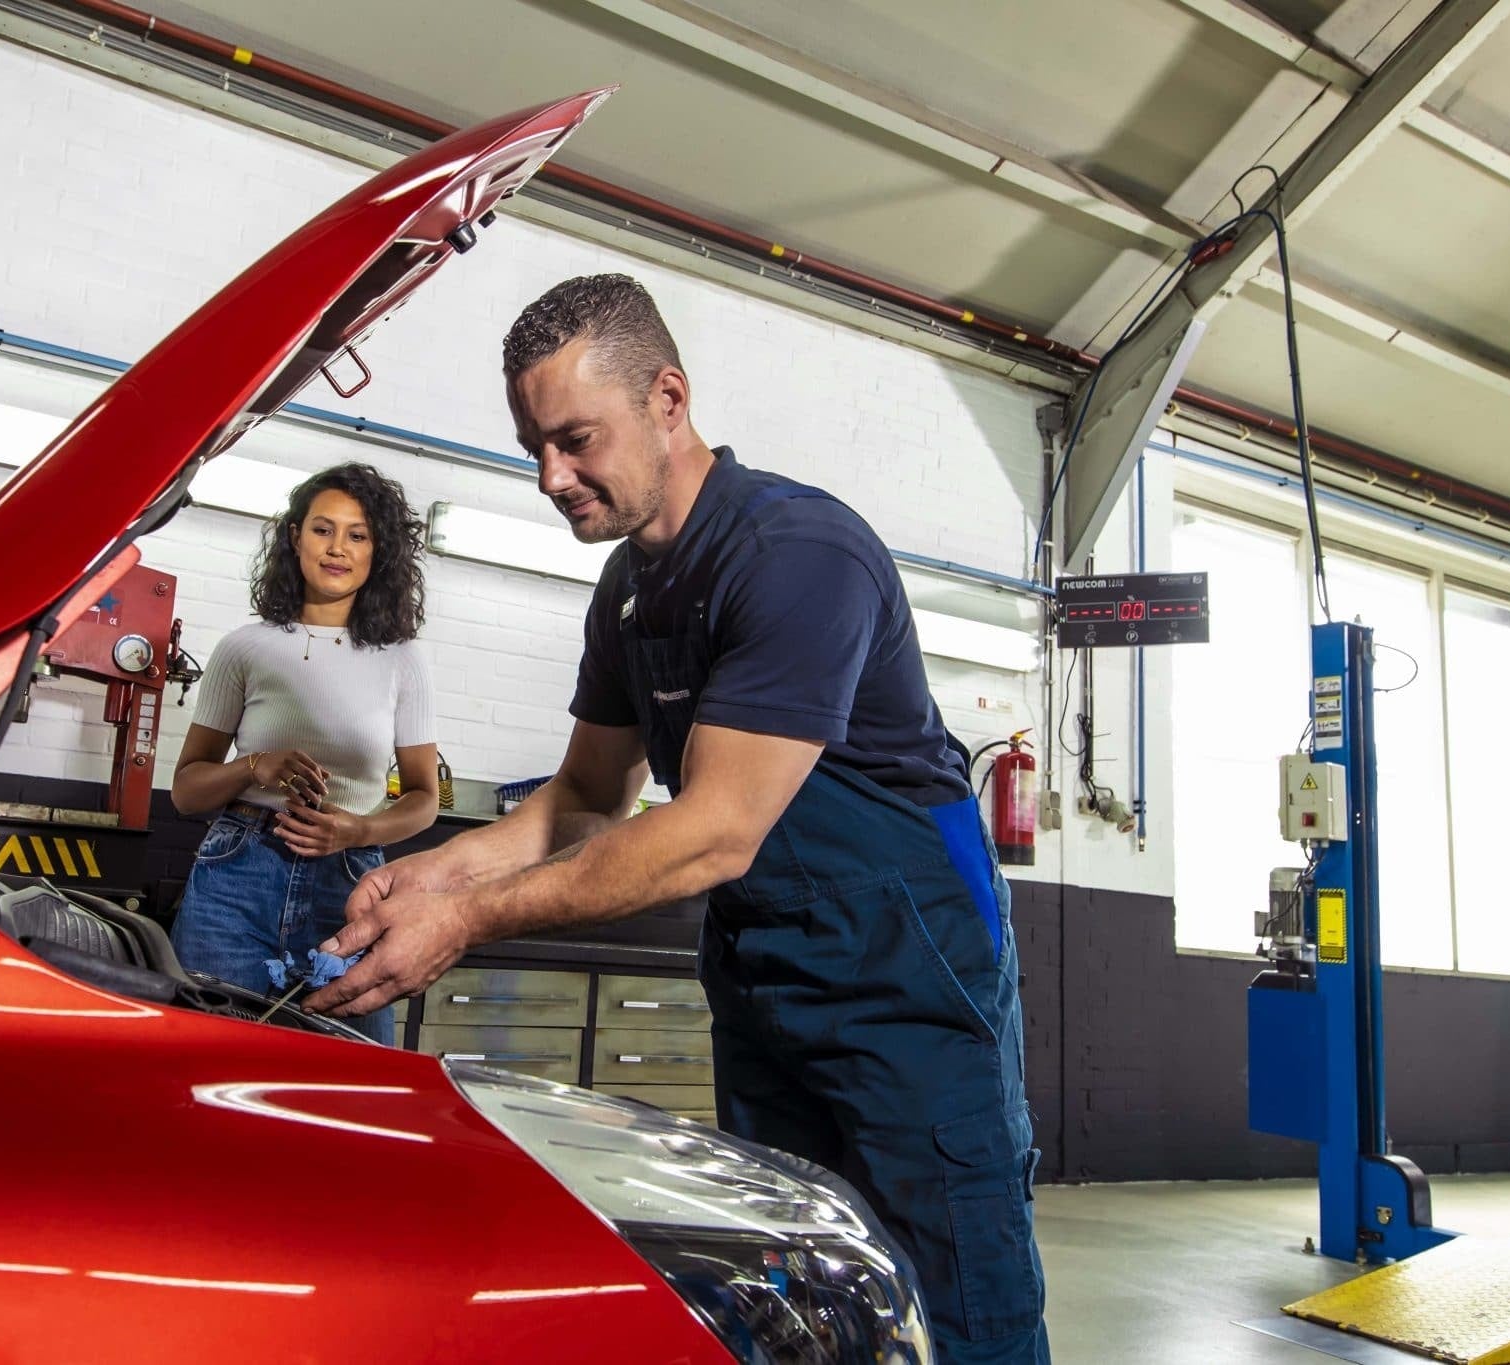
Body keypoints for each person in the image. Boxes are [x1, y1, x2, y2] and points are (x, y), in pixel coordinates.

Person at [308, 276, 1047, 1360]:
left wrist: (469, 924)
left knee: (956, 1292)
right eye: (534, 448)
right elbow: (585, 799)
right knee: (805, 1289)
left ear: (666, 399)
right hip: (765, 979)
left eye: (574, 440)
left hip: (909, 974)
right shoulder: (625, 594)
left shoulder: (797, 554)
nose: (552, 477)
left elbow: (714, 829)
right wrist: (436, 875)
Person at [168, 462, 440, 1044]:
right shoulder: (244, 648)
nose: (337, 548)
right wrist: (253, 765)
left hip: (349, 888)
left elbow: (425, 795)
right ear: (295, 538)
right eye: (323, 529)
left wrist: (357, 831)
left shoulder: (401, 661)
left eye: (357, 534)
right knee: (211, 1057)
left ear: (377, 552)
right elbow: (186, 789)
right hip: (236, 877)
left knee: (354, 1077)